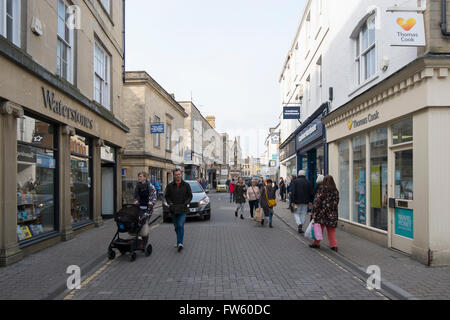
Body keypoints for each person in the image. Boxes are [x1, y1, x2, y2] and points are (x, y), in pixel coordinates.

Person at [164, 168, 193, 252]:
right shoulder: (170, 186)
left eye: (179, 174)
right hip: (173, 209)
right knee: (176, 227)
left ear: (181, 175)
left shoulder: (186, 185)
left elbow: (190, 196)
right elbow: (167, 196)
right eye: (176, 174)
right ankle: (178, 242)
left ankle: (180, 243)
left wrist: (186, 203)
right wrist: (170, 203)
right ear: (174, 175)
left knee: (180, 225)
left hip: (183, 209)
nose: (178, 176)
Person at [310, 175, 340, 252]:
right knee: (331, 230)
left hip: (321, 213)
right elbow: (336, 202)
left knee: (318, 229)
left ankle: (316, 243)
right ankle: (334, 245)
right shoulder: (335, 191)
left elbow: (317, 202)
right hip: (332, 214)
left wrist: (314, 212)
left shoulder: (322, 189)